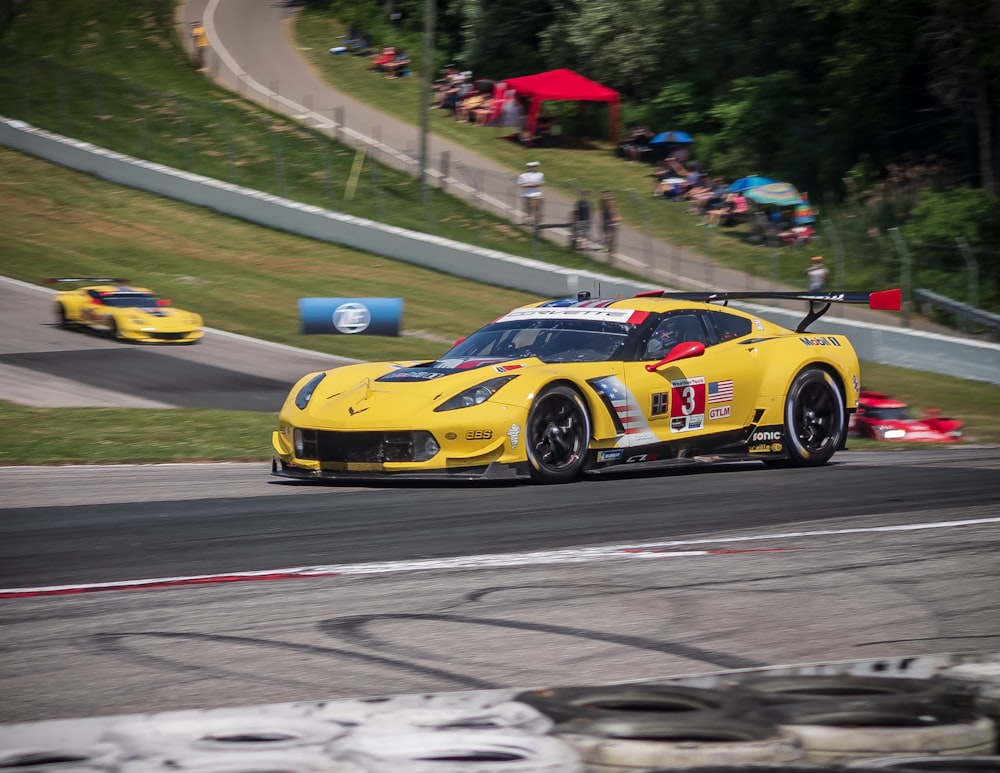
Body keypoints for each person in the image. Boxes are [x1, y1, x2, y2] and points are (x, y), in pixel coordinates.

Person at [517, 161, 544, 226]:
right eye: (531, 167)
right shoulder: (522, 175)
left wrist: (533, 184)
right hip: (526, 194)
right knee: (528, 208)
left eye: (534, 167)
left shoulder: (540, 174)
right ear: (528, 167)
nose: (533, 168)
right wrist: (529, 185)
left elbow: (541, 183)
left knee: (536, 208)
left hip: (536, 194)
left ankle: (537, 222)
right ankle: (528, 221)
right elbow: (521, 184)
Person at [599, 190, 621, 258]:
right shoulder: (604, 203)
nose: (610, 198)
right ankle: (608, 247)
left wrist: (616, 218)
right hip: (606, 220)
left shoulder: (611, 205)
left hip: (608, 221)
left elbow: (614, 213)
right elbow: (603, 199)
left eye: (610, 197)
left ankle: (607, 247)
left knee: (608, 235)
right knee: (606, 235)